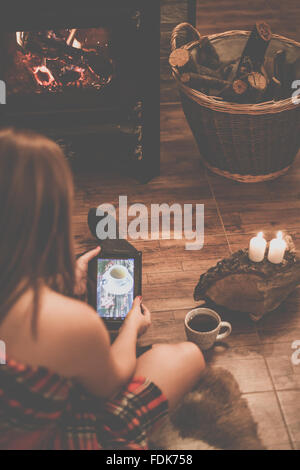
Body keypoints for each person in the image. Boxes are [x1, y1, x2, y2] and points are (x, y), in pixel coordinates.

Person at [0, 128, 205, 450]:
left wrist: (53, 285)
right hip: (57, 436)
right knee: (188, 356)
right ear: (50, 224)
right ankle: (112, 240)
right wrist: (130, 328)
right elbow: (108, 384)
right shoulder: (69, 322)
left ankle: (111, 239)